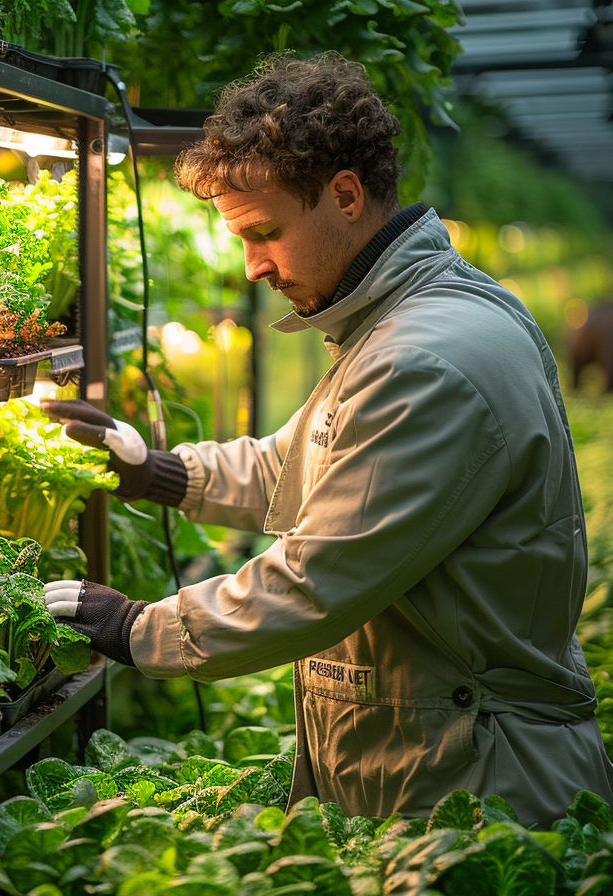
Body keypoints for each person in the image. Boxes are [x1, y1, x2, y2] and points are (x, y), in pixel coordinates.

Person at [41, 52, 613, 827]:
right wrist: (160, 472)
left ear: (345, 195)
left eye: (266, 232)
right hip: (442, 762)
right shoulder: (405, 323)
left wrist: (137, 627)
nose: (252, 268)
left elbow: (319, 579)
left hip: (476, 785)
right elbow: (308, 463)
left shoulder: (422, 359)